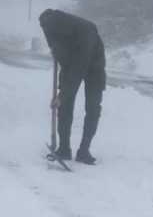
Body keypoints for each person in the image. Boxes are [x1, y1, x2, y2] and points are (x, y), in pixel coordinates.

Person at [39, 9, 106, 165]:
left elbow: (78, 69)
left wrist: (61, 95)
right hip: (71, 64)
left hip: (94, 66)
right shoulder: (50, 27)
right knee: (64, 105)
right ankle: (64, 148)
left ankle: (84, 151)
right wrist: (62, 95)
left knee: (93, 107)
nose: (46, 32)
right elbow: (61, 56)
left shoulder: (85, 33)